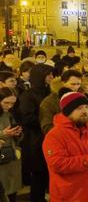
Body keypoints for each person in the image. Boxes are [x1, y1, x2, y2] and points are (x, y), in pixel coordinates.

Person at [16, 63, 54, 202]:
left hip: (49, 138)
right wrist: (49, 121)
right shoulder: (28, 95)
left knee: (48, 175)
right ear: (40, 76)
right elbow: (27, 118)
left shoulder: (49, 92)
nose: (51, 77)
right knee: (39, 176)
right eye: (48, 74)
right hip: (35, 140)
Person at [0, 88, 22, 202]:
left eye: (12, 103)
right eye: (6, 102)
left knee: (12, 190)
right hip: (2, 157)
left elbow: (19, 138)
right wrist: (3, 134)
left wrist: (18, 133)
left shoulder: (12, 113)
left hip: (12, 156)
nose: (9, 106)